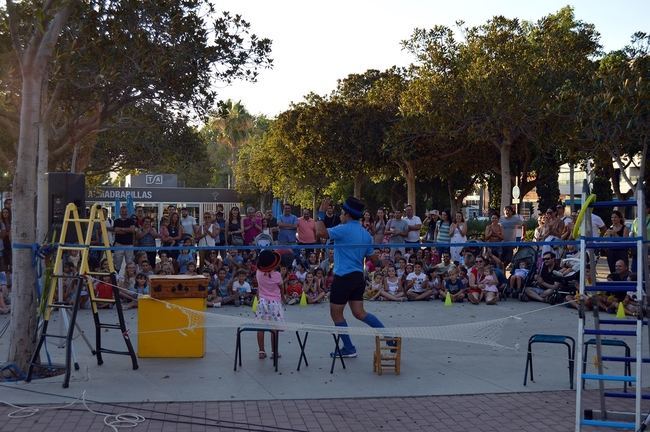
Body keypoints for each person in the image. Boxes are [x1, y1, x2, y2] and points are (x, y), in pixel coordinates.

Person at [315, 196, 390, 358]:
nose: (340, 215)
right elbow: (374, 259)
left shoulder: (343, 229)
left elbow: (321, 232)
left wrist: (320, 214)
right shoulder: (365, 234)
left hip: (343, 277)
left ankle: (349, 348)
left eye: (342, 212)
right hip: (358, 278)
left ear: (347, 214)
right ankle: (389, 336)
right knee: (360, 313)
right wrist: (382, 261)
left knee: (336, 314)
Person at [255, 250, 285, 359]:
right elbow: (281, 287)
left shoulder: (258, 273)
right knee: (274, 328)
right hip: (275, 304)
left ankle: (261, 351)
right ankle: (274, 352)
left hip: (262, 302)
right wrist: (283, 297)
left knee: (260, 327)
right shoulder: (277, 275)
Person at [112, 205, 136, 271]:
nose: (124, 213)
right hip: (119, 244)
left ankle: (129, 278)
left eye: (125, 211)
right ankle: (116, 278)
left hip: (129, 245)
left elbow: (132, 230)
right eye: (122, 211)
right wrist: (127, 230)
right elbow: (116, 230)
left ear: (127, 212)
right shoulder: (116, 221)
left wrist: (121, 229)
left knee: (130, 263)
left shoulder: (131, 221)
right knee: (117, 263)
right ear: (120, 212)